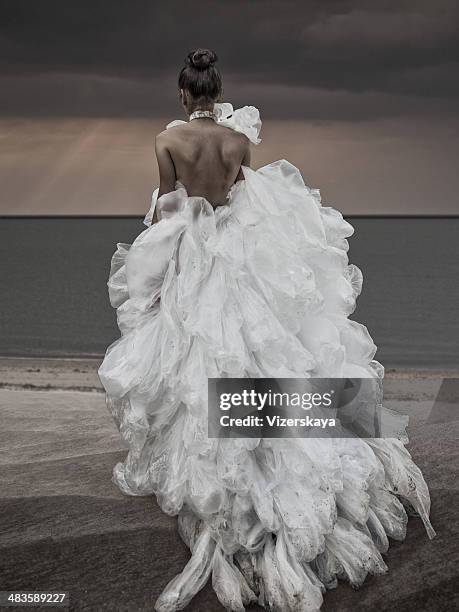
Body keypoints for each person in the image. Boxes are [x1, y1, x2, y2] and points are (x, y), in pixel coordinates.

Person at [98, 48, 435, 612]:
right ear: (217, 91)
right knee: (258, 354)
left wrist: (156, 265)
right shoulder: (238, 142)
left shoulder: (167, 141)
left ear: (184, 94)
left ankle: (223, 464)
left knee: (200, 356)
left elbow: (169, 211)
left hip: (193, 258)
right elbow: (241, 200)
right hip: (236, 256)